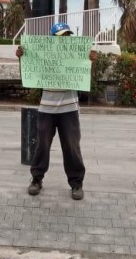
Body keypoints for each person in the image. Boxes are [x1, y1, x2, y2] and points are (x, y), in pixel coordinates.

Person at [17, 22, 89, 200]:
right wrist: (22, 57)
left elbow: (85, 74)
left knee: (72, 147)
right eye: (61, 36)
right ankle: (36, 179)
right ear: (52, 39)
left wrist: (90, 59)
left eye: (67, 36)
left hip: (69, 109)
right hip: (46, 109)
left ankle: (76, 183)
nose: (65, 39)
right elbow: (29, 74)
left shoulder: (75, 55)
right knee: (42, 146)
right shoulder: (43, 56)